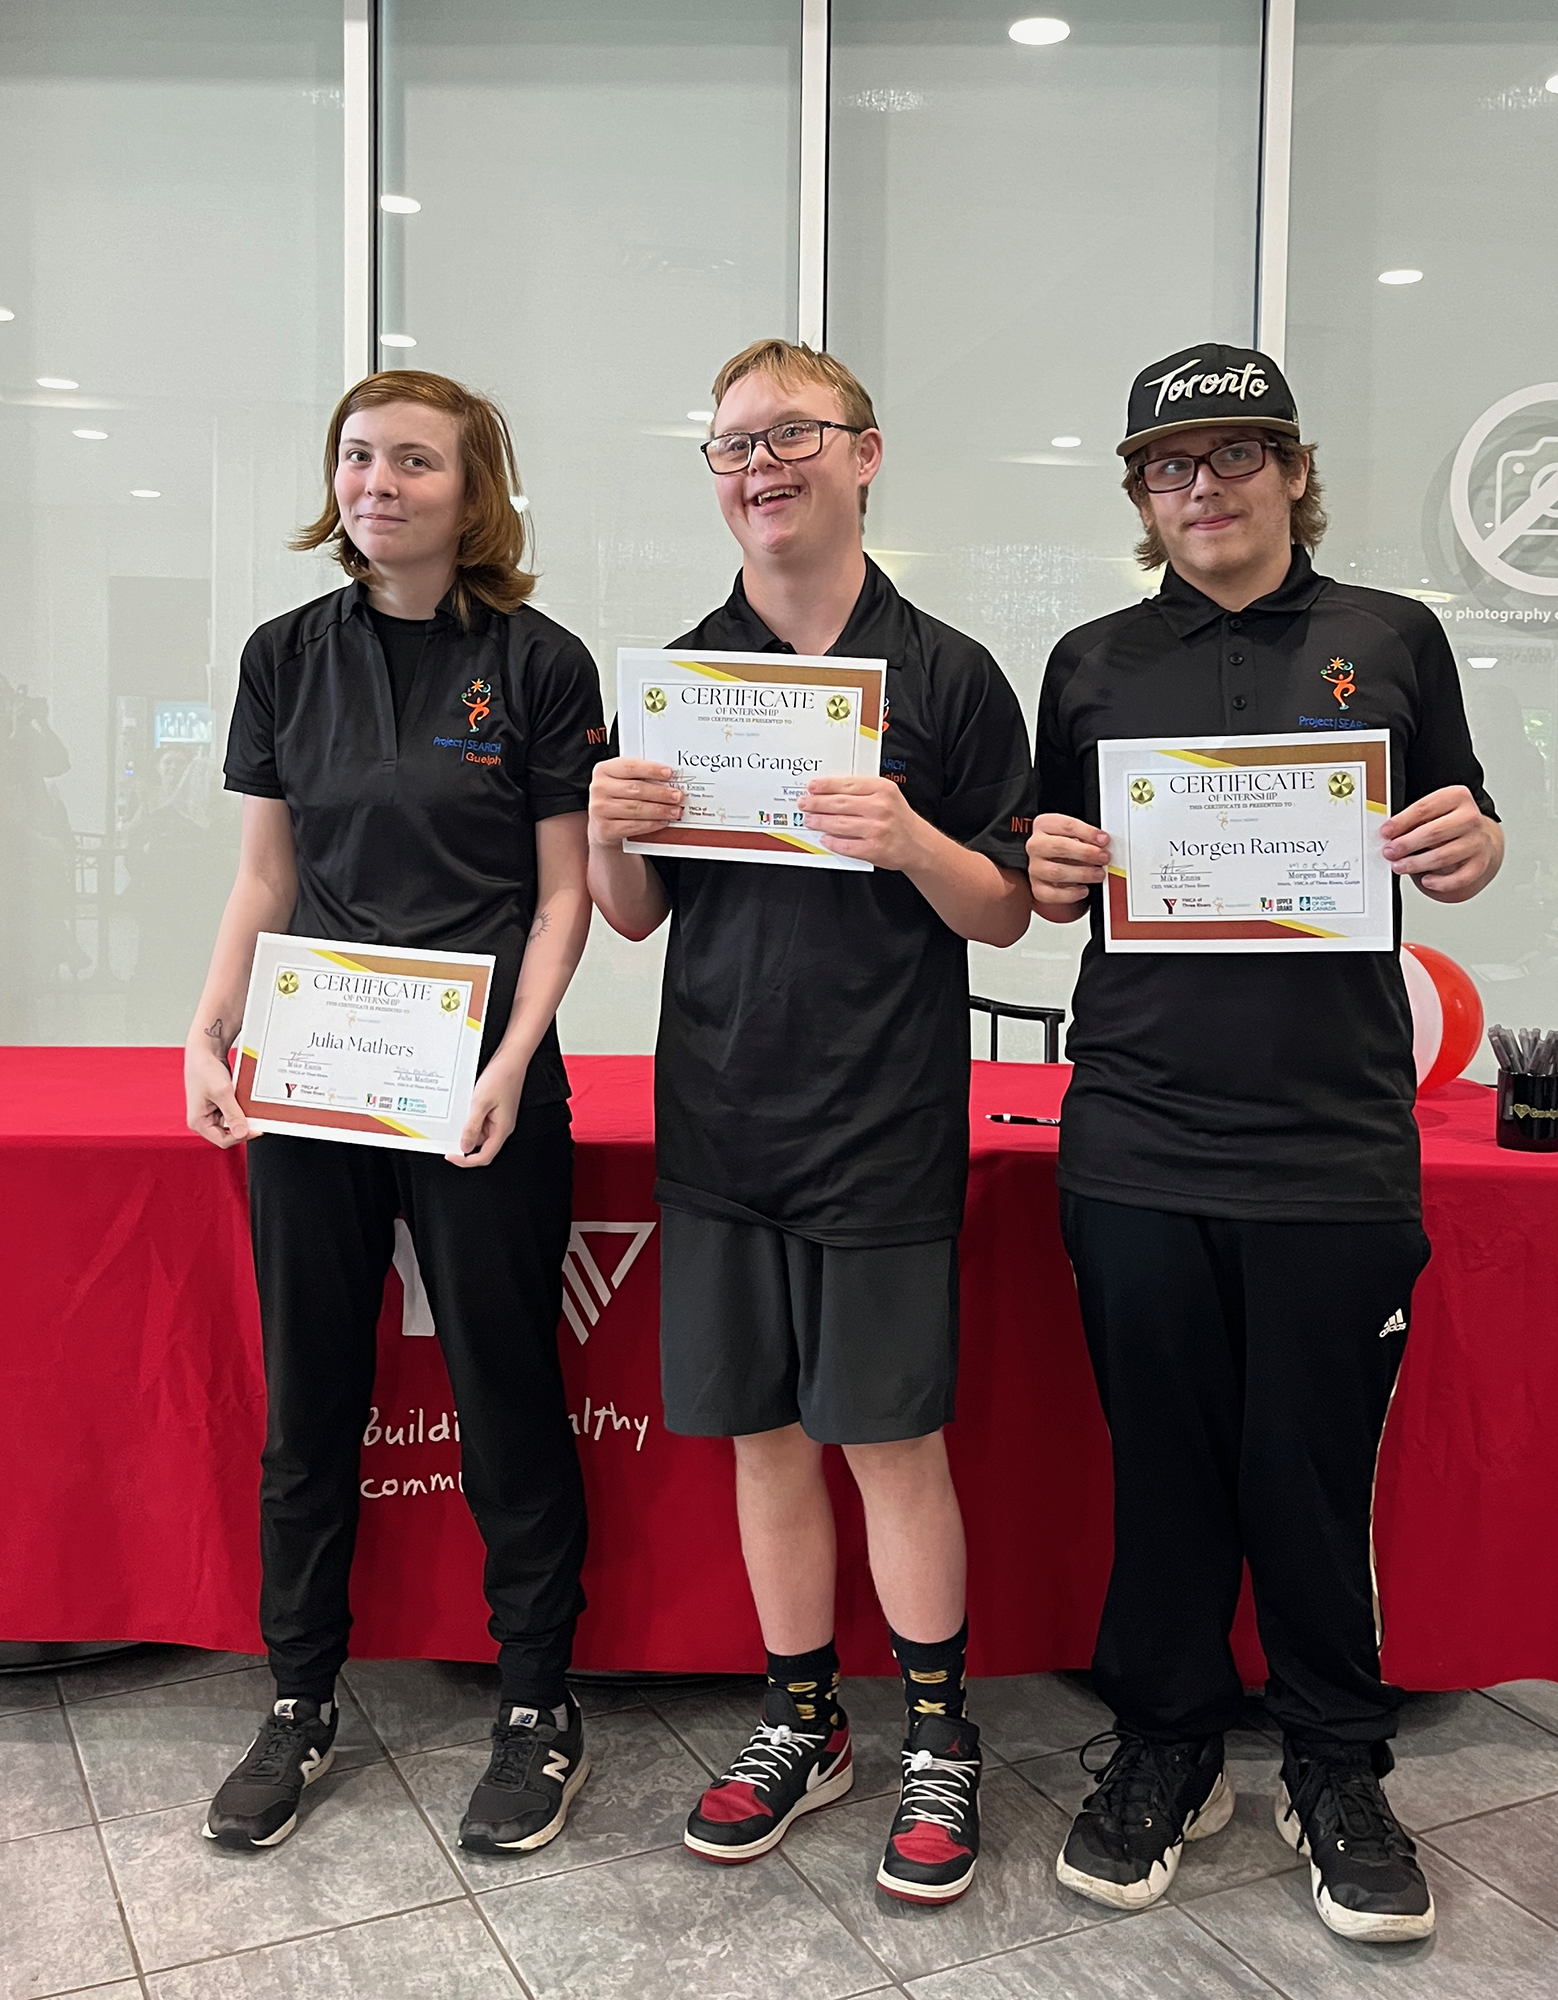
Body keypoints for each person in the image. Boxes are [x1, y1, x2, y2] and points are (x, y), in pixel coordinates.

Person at [1027, 344, 1503, 1943]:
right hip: (1140, 1130)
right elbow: (1048, 874)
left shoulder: (1393, 638)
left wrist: (1470, 842)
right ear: (1139, 497)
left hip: (1333, 1142)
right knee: (1161, 1470)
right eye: (1172, 466)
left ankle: (1335, 1760)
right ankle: (1166, 1744)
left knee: (1309, 1475)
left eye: (1236, 456)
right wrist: (1047, 861)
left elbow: (1464, 829)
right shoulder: (1090, 660)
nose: (1204, 488)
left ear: (1295, 471)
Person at [586, 339, 1034, 1905]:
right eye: (728, 446)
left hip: (883, 1126)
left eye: (790, 436)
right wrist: (611, 834)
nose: (758, 466)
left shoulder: (954, 675)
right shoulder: (680, 678)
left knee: (890, 1442)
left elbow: (1001, 917)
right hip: (717, 1119)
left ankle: (937, 1739)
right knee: (764, 1441)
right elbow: (633, 919)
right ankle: (802, 1725)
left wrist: (908, 832)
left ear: (866, 454)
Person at [184, 370, 603, 1856]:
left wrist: (512, 1057)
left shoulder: (540, 663)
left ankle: (539, 1705)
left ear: (472, 489)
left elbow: (566, 898)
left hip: (482, 1084)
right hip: (317, 1080)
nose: (380, 482)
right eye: (359, 457)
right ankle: (298, 1697)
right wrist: (208, 1023)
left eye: (415, 462)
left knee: (504, 1391)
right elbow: (264, 876)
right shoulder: (283, 655)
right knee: (310, 1403)